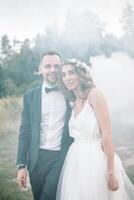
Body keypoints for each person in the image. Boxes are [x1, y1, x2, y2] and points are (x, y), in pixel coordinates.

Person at [56, 58, 134, 200]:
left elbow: (107, 133)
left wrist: (111, 172)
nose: (67, 78)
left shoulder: (95, 95)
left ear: (81, 74)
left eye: (71, 73)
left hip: (96, 159)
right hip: (76, 160)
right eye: (64, 74)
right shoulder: (75, 101)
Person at [16, 51, 73, 200]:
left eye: (57, 66)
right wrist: (21, 166)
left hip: (59, 159)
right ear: (40, 68)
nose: (53, 70)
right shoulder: (30, 96)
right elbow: (24, 131)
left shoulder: (71, 94)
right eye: (48, 66)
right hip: (35, 161)